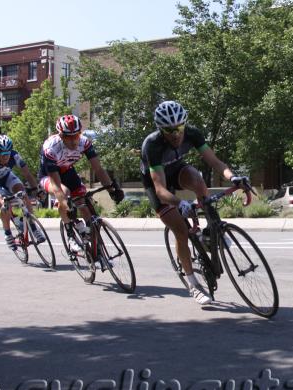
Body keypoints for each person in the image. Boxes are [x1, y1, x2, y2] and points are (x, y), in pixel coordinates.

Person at [141, 101, 248, 305]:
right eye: (169, 130)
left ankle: (210, 230)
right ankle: (193, 283)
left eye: (179, 128)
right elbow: (161, 191)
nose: (176, 134)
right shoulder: (152, 145)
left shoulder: (192, 133)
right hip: (158, 182)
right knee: (181, 231)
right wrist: (180, 204)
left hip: (177, 169)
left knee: (198, 180)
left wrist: (233, 178)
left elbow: (215, 162)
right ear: (160, 129)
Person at [39, 115, 124, 259]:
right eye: (68, 137)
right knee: (64, 193)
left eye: (76, 135)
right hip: (49, 176)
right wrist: (67, 206)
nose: (73, 140)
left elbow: (98, 169)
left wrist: (112, 190)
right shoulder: (51, 148)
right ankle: (71, 235)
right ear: (61, 135)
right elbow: (57, 186)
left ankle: (90, 240)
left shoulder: (84, 142)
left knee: (83, 202)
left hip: (67, 171)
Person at [0, 135, 45, 250]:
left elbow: (27, 174)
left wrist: (37, 189)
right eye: (2, 154)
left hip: (6, 176)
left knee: (23, 194)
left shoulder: (15, 155)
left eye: (8, 153)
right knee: (5, 205)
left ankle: (33, 228)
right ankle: (8, 234)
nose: (6, 157)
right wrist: (2, 201)